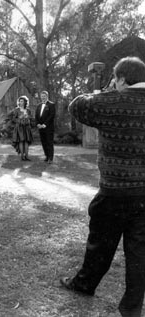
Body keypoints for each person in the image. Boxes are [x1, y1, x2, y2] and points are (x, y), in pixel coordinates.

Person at [60, 56, 145, 317]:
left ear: (120, 79)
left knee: (100, 243)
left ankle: (85, 284)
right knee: (140, 253)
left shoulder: (109, 101)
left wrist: (104, 90)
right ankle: (132, 308)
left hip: (114, 190)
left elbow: (76, 106)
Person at [35, 90, 55, 164]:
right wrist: (38, 124)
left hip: (48, 127)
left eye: (44, 96)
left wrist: (45, 124)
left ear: (47, 96)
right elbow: (36, 116)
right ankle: (46, 156)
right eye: (42, 96)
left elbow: (51, 116)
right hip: (40, 128)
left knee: (49, 143)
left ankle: (50, 158)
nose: (43, 98)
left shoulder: (51, 105)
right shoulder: (39, 105)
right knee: (44, 143)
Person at [11, 96, 33, 161]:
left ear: (25, 102)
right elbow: (13, 119)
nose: (21, 102)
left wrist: (28, 117)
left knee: (26, 142)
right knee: (21, 141)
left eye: (22, 101)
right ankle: (22, 156)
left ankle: (27, 156)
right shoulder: (16, 110)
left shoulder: (28, 110)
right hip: (19, 127)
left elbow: (31, 118)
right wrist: (20, 118)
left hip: (27, 127)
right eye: (20, 101)